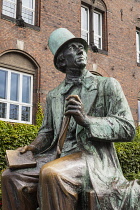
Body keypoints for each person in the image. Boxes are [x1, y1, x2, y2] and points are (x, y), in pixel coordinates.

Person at [2, 28, 140, 210]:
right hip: (57, 155)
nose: (81, 50)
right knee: (10, 177)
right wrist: (33, 147)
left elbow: (128, 128)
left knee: (52, 174)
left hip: (92, 158)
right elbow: (47, 131)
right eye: (73, 48)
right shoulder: (54, 95)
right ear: (61, 60)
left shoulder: (107, 85)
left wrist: (86, 120)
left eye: (81, 47)